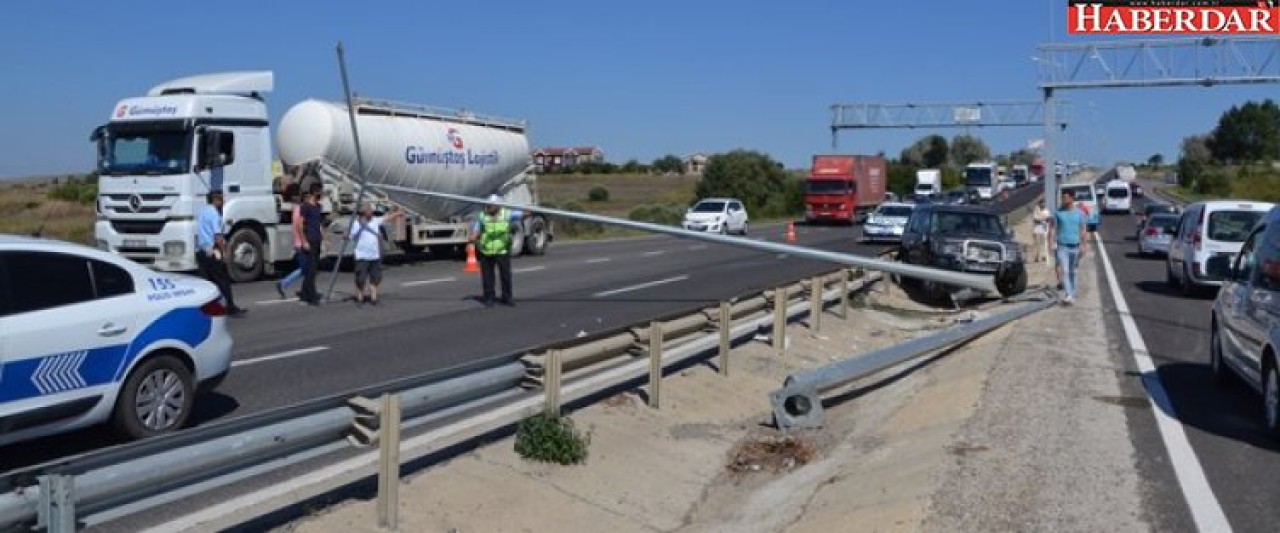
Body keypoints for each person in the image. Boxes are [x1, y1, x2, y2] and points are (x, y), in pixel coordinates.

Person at [195, 190, 247, 317]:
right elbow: (218, 236)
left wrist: (225, 224)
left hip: (202, 252)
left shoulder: (203, 212)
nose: (223, 201)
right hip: (213, 251)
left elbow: (206, 229)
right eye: (221, 199)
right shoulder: (214, 214)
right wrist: (225, 253)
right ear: (215, 200)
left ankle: (207, 309)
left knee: (208, 282)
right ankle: (230, 307)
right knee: (223, 280)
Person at [470, 194, 523, 307]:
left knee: (505, 276)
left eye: (491, 206)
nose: (488, 208)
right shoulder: (482, 216)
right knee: (487, 277)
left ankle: (507, 297)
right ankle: (489, 298)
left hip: (502, 250)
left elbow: (523, 214)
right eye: (488, 206)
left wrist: (530, 211)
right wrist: (473, 237)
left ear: (498, 206)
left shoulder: (507, 214)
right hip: (486, 251)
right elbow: (476, 229)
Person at [350, 203, 405, 306]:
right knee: (360, 278)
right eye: (369, 210)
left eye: (371, 211)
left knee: (376, 277)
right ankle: (360, 296)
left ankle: (373, 298)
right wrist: (346, 236)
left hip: (374, 255)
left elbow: (387, 218)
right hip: (362, 255)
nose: (371, 212)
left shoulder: (375, 220)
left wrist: (398, 213)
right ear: (364, 212)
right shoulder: (356, 223)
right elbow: (350, 235)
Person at [1049, 189, 1089, 305]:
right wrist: (1051, 243)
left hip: (1075, 247)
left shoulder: (1079, 213)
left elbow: (1083, 230)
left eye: (1066, 197)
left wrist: (1084, 245)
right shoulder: (1058, 213)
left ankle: (1073, 292)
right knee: (1065, 271)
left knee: (1073, 271)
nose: (1064, 199)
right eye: (1063, 197)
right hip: (1062, 246)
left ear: (1072, 198)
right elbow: (1052, 228)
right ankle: (1069, 294)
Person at [276, 183, 306, 299]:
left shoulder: (296, 210)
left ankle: (288, 284)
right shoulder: (301, 210)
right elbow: (301, 226)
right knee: (306, 269)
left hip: (298, 242)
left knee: (306, 269)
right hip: (302, 243)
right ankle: (284, 283)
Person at [298, 185, 325, 306]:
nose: (321, 195)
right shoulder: (305, 207)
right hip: (309, 239)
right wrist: (304, 241)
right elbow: (300, 225)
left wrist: (324, 238)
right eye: (319, 193)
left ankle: (304, 295)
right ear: (314, 193)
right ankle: (312, 297)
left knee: (313, 269)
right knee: (312, 269)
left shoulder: (318, 207)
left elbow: (319, 224)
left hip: (317, 239)